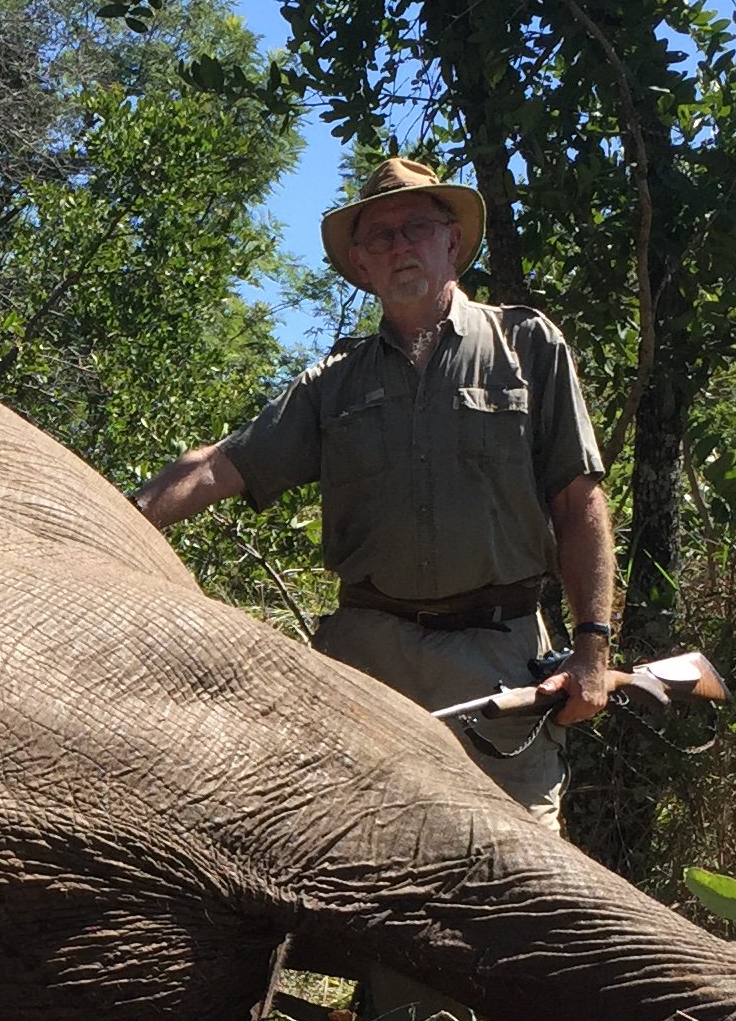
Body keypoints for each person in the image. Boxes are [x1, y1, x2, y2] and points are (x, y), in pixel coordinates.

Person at [133, 154, 620, 829]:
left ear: (452, 242)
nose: (399, 247)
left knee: (520, 879)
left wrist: (593, 649)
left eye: (416, 227)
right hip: (365, 666)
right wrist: (108, 524)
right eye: (379, 238)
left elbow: (581, 504)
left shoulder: (528, 347)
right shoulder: (334, 381)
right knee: (347, 864)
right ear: (361, 266)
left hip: (498, 659)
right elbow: (220, 467)